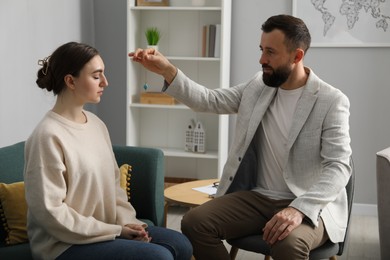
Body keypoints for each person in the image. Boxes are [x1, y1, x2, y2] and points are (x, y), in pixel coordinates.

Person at [129, 14, 352, 260]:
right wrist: (167, 70)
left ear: (297, 56)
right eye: (261, 49)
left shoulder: (331, 100)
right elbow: (209, 100)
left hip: (308, 203)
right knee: (195, 222)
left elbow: (339, 166)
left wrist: (299, 209)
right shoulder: (259, 86)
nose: (261, 59)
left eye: (270, 52)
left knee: (288, 245)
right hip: (258, 197)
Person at [24, 42, 192, 260]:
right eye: (96, 76)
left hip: (105, 231)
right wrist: (116, 231)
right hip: (63, 245)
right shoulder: (47, 136)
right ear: (70, 81)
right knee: (158, 257)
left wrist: (129, 224)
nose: (105, 82)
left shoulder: (96, 124)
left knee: (181, 245)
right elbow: (50, 213)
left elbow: (114, 187)